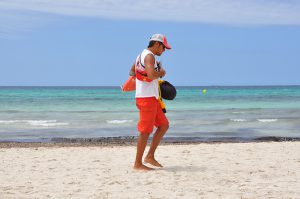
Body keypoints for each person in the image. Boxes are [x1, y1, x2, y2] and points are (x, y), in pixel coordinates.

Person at [129, 34, 172, 171]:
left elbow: (132, 71)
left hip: (151, 98)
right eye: (163, 47)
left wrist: (144, 75)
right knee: (145, 131)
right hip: (146, 98)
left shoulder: (140, 55)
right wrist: (161, 73)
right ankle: (137, 164)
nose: (164, 51)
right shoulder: (149, 56)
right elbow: (152, 75)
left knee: (164, 125)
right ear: (157, 44)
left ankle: (150, 156)